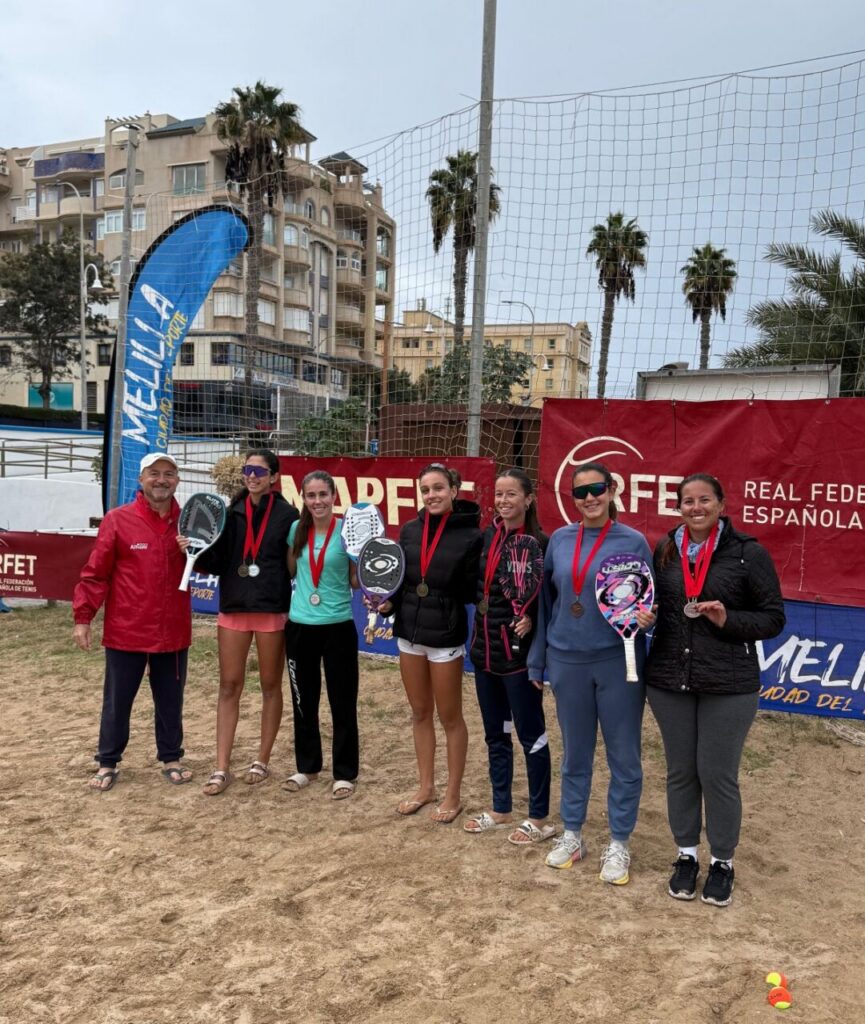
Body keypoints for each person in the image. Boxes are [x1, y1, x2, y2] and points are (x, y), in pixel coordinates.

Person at [645, 473, 785, 907]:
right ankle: (686, 856)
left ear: (722, 505)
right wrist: (645, 616)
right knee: (681, 771)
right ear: (679, 507)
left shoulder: (747, 554)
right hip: (670, 678)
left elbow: (773, 618)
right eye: (688, 501)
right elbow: (656, 604)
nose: (696, 508)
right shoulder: (666, 549)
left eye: (705, 500)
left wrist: (729, 621)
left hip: (729, 682)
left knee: (717, 774)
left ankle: (722, 861)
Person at [527, 461, 653, 885]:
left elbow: (648, 602)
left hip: (618, 661)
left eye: (597, 488)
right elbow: (548, 606)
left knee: (624, 757)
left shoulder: (634, 542)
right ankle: (573, 833)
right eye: (580, 493)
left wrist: (648, 621)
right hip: (567, 661)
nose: (589, 498)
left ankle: (619, 841)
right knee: (575, 755)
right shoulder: (560, 540)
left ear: (613, 489)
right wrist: (538, 659)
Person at [73, 452, 193, 792]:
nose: (162, 480)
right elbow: (96, 574)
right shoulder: (118, 520)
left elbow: (206, 566)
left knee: (171, 700)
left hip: (172, 632)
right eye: (154, 474)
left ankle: (171, 757)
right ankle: (108, 761)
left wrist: (194, 551)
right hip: (126, 632)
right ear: (140, 480)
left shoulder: (188, 523)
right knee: (117, 702)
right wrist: (84, 617)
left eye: (169, 474)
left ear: (177, 481)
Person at [377, 463, 482, 824]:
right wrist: (387, 602)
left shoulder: (472, 535)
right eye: (425, 490)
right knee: (420, 712)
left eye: (439, 488)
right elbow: (401, 581)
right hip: (409, 632)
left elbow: (472, 591)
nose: (432, 495)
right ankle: (426, 788)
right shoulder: (409, 530)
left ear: (454, 489)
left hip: (445, 636)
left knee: (450, 717)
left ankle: (453, 794)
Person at [194, 449, 298, 796]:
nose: (252, 476)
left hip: (271, 609)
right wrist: (192, 549)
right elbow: (216, 560)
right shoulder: (229, 513)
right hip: (234, 608)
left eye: (259, 470)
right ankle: (221, 766)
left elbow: (295, 562)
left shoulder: (287, 515)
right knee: (229, 686)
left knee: (270, 686)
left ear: (273, 477)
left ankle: (261, 759)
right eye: (247, 470)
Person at [465, 468, 554, 846]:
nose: (503, 501)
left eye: (511, 495)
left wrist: (531, 620)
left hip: (519, 660)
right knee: (495, 735)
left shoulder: (541, 542)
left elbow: (550, 600)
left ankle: (538, 817)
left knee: (530, 736)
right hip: (485, 655)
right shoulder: (487, 537)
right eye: (499, 495)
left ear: (528, 498)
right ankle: (501, 808)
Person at [283, 470, 360, 800]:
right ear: (304, 498)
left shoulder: (347, 533)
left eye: (323, 495)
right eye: (311, 495)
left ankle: (344, 773)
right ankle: (308, 767)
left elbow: (356, 581)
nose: (317, 501)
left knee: (342, 703)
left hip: (338, 626)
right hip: (300, 626)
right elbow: (291, 569)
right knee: (304, 701)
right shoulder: (295, 531)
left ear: (334, 497)